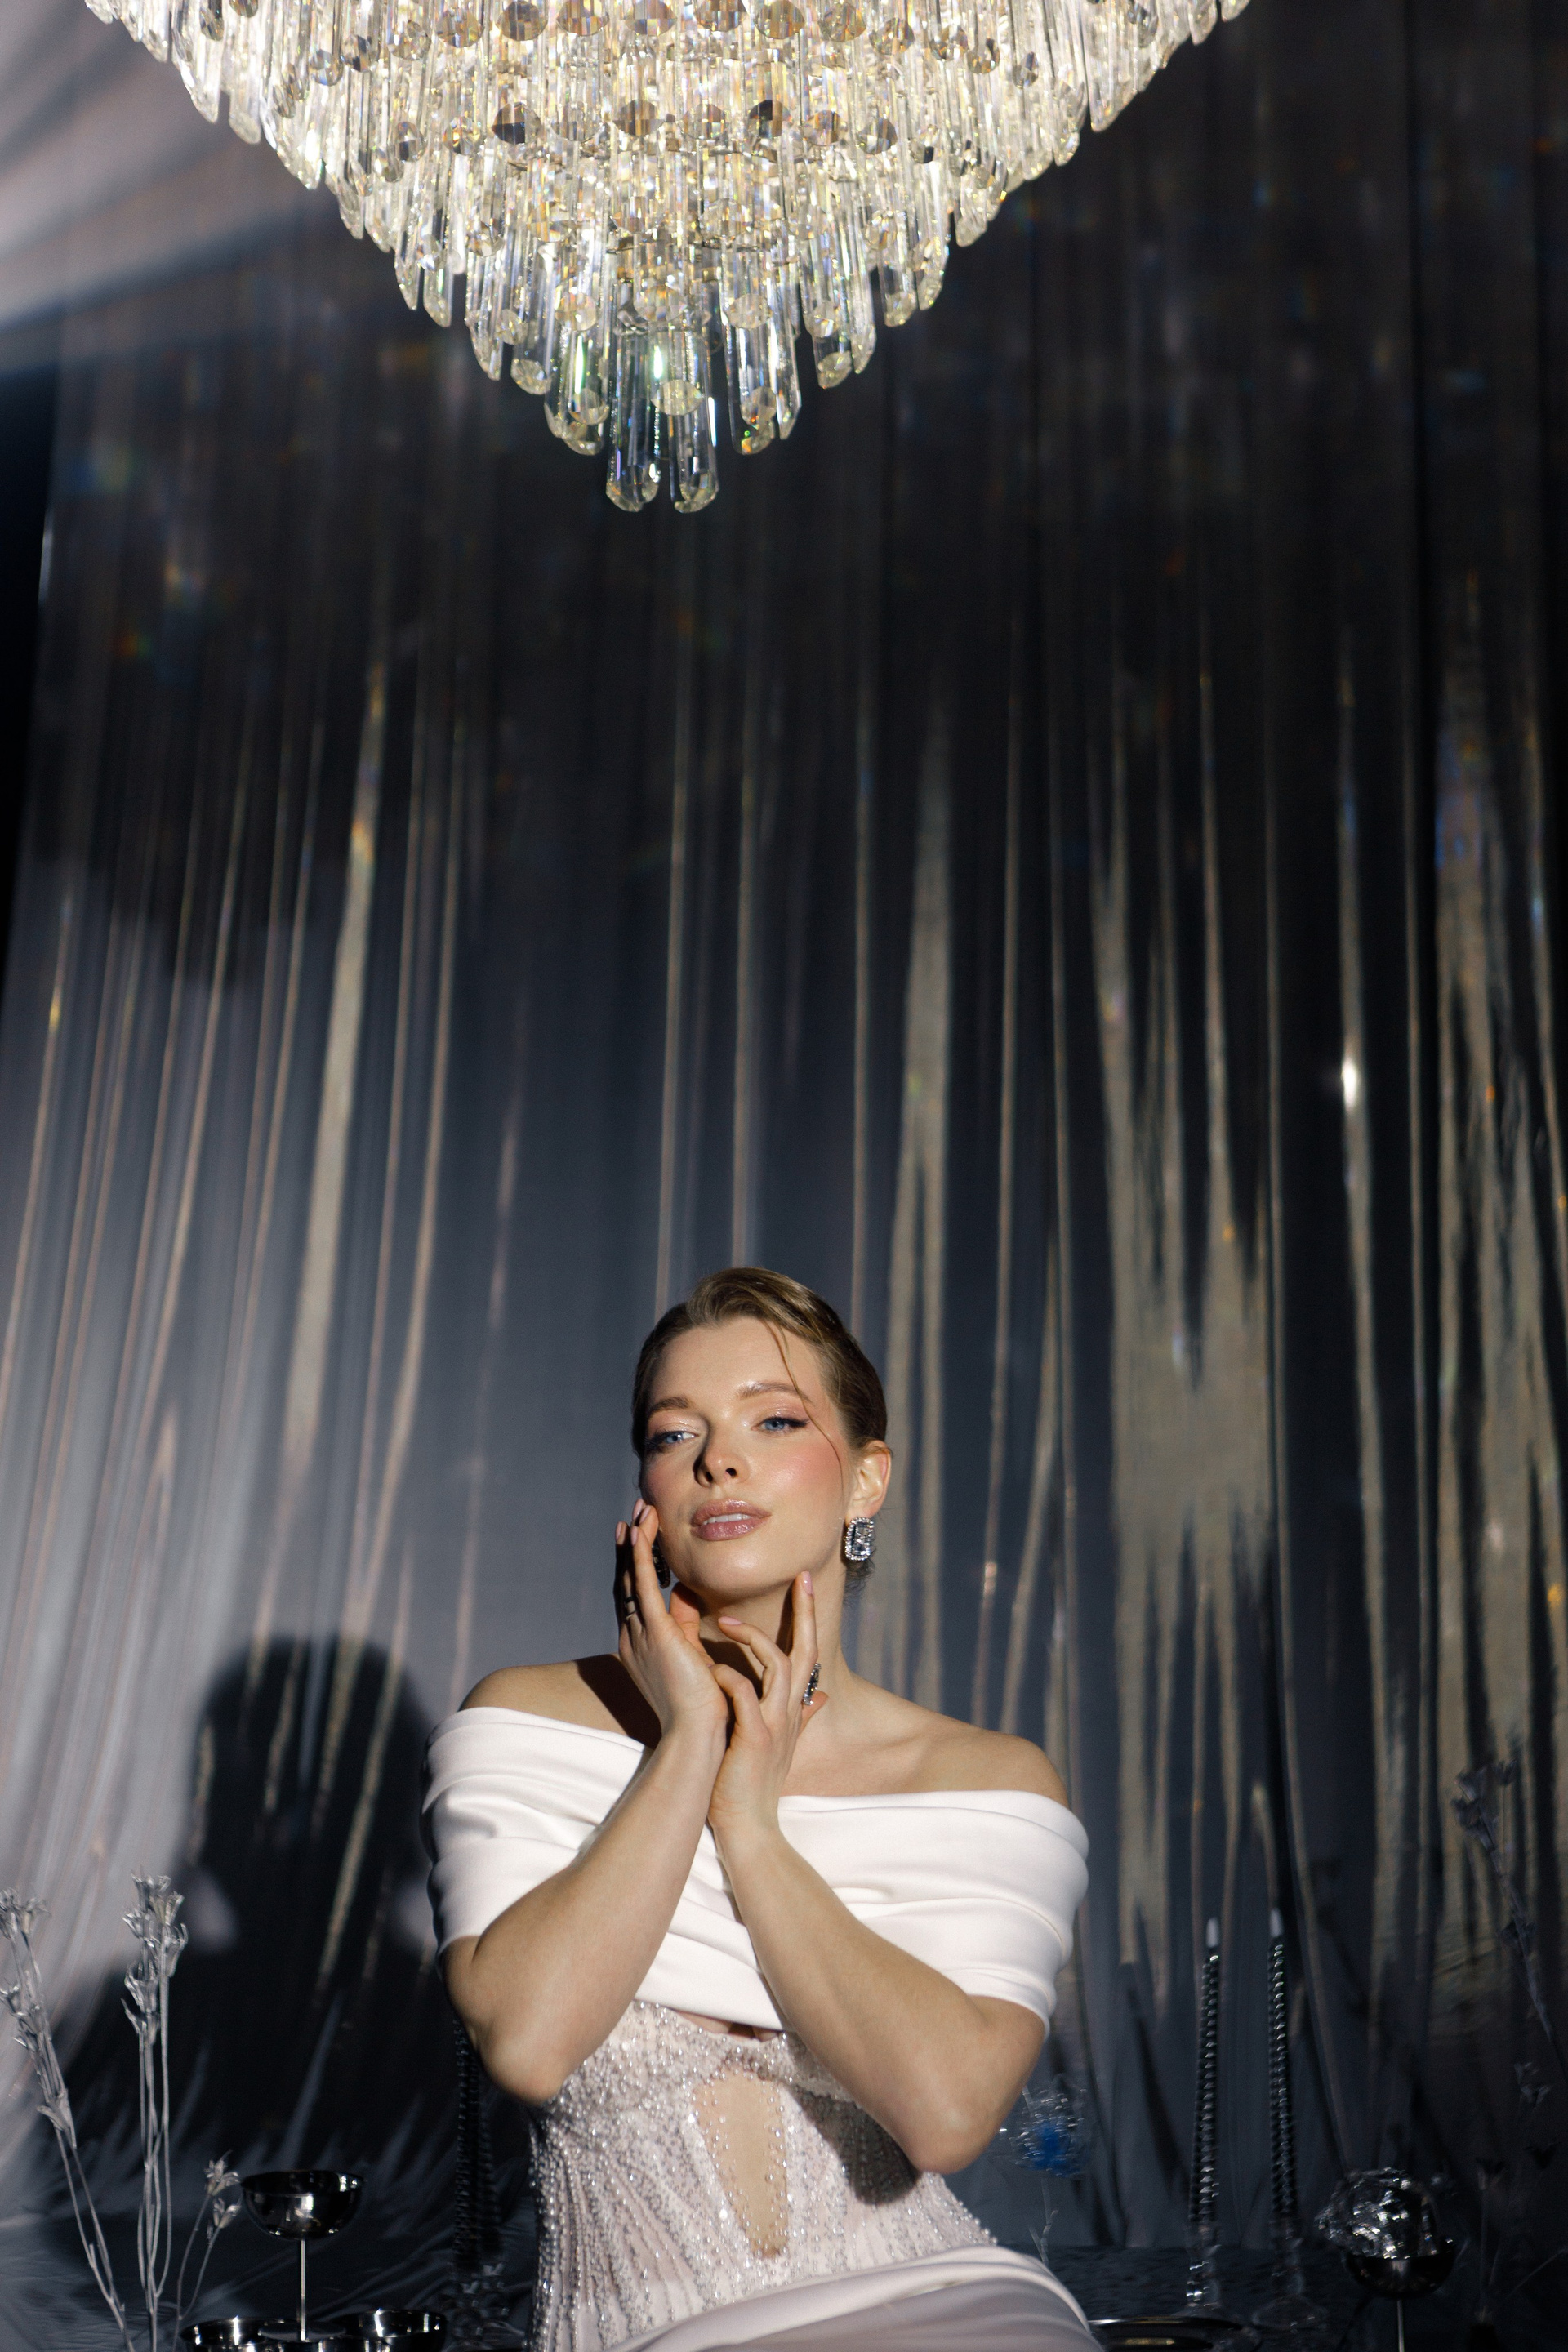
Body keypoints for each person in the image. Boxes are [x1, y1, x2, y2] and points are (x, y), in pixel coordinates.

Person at [425, 1267, 1094, 2352]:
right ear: (647, 1489)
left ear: (866, 1480)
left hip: (945, 2314)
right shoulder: (528, 1723)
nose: (717, 1460)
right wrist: (689, 1743)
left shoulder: (986, 1781)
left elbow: (945, 2115)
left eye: (773, 1420)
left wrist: (748, 1826)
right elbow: (530, 2040)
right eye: (674, 1432)